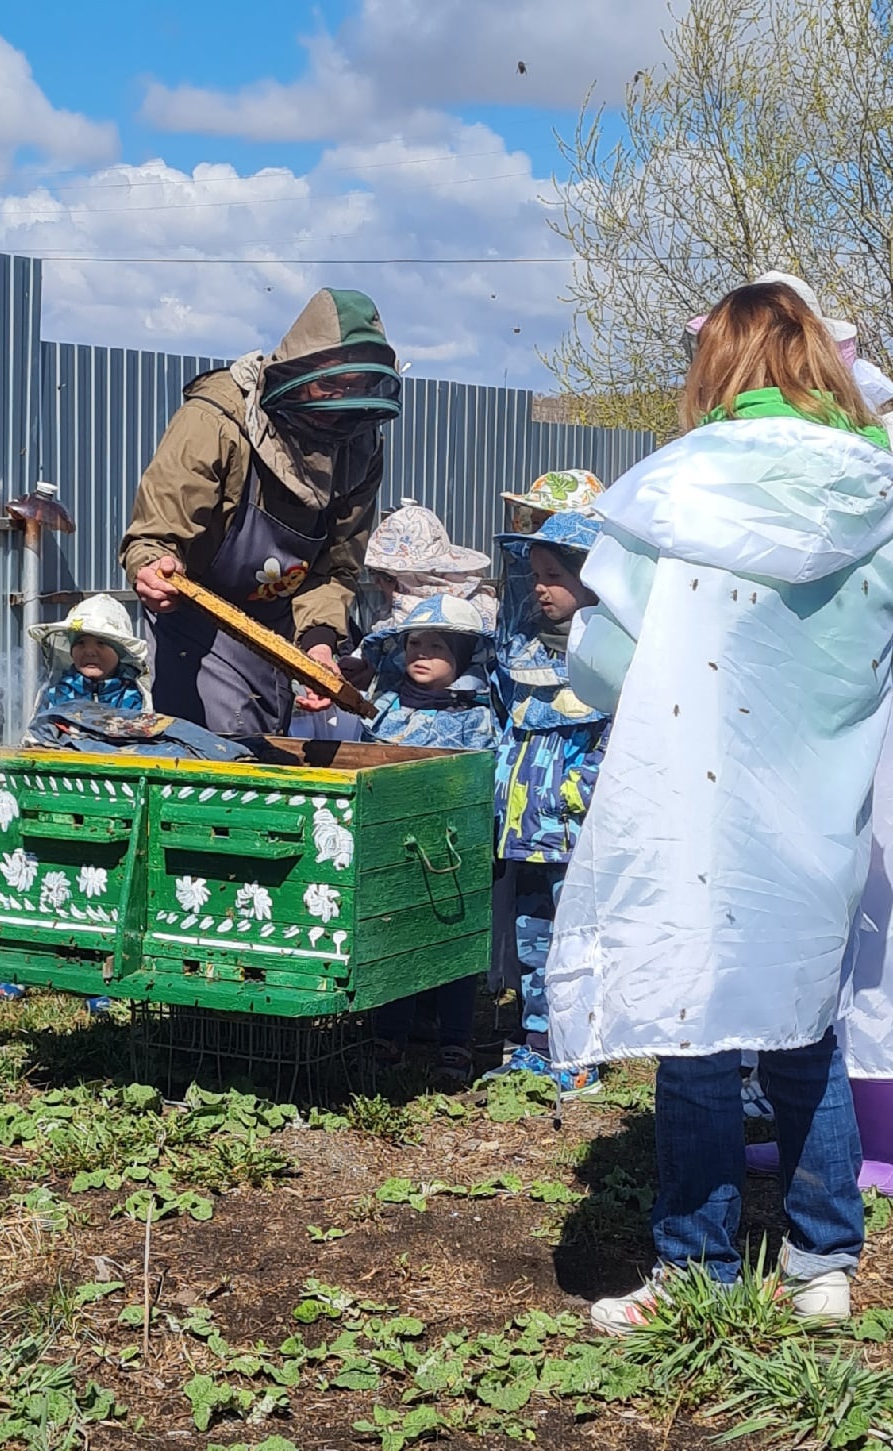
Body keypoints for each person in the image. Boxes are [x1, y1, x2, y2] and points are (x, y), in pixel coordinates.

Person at [545, 280, 893, 1332]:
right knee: (805, 1022)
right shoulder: (878, 488)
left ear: (719, 366)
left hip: (696, 804)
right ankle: (822, 1261)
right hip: (819, 807)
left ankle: (697, 1262)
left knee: (694, 1026)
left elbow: (607, 662)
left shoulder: (671, 490)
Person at [120, 289, 401, 737]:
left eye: (356, 387)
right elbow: (156, 533)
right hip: (199, 620)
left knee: (274, 743)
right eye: (330, 383)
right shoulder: (217, 419)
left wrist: (320, 645)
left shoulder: (360, 446)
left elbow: (336, 567)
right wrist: (153, 568)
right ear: (300, 367)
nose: (340, 400)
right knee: (218, 747)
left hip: (281, 628)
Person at [491, 509, 608, 1098]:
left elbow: (618, 747)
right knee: (534, 941)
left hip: (580, 837)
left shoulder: (612, 663)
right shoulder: (519, 657)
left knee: (580, 944)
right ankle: (539, 1043)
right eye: (534, 573)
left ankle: (582, 1051)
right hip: (528, 832)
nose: (540, 586)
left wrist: (574, 793)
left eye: (555, 573)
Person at [361, 595, 495, 1080]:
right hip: (392, 844)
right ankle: (388, 1034)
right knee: (393, 936)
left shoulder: (477, 714)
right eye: (414, 643)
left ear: (461, 658)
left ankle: (455, 1042)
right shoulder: (384, 706)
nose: (421, 653)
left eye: (437, 646)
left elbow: (484, 780)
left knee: (453, 941)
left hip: (453, 847)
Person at [363, 500, 499, 630]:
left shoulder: (414, 619)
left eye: (385, 577)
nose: (377, 583)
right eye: (372, 572)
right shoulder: (385, 614)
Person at [29, 596, 150, 714]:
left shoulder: (135, 695)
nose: (90, 652)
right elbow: (37, 732)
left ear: (120, 651)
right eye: (80, 643)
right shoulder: (56, 695)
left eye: (101, 643)